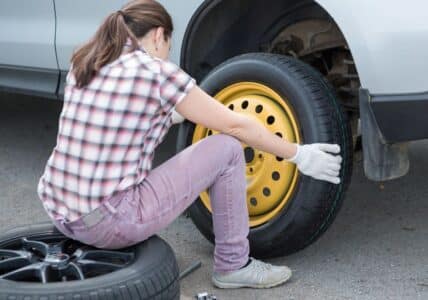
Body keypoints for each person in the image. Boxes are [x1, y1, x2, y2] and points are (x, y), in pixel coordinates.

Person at [37, 0, 342, 289]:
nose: (167, 55)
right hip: (111, 223)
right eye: (168, 46)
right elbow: (236, 124)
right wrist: (298, 154)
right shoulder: (156, 72)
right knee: (228, 148)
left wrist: (171, 117)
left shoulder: (85, 63)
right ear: (159, 36)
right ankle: (233, 266)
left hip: (61, 212)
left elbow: (110, 122)